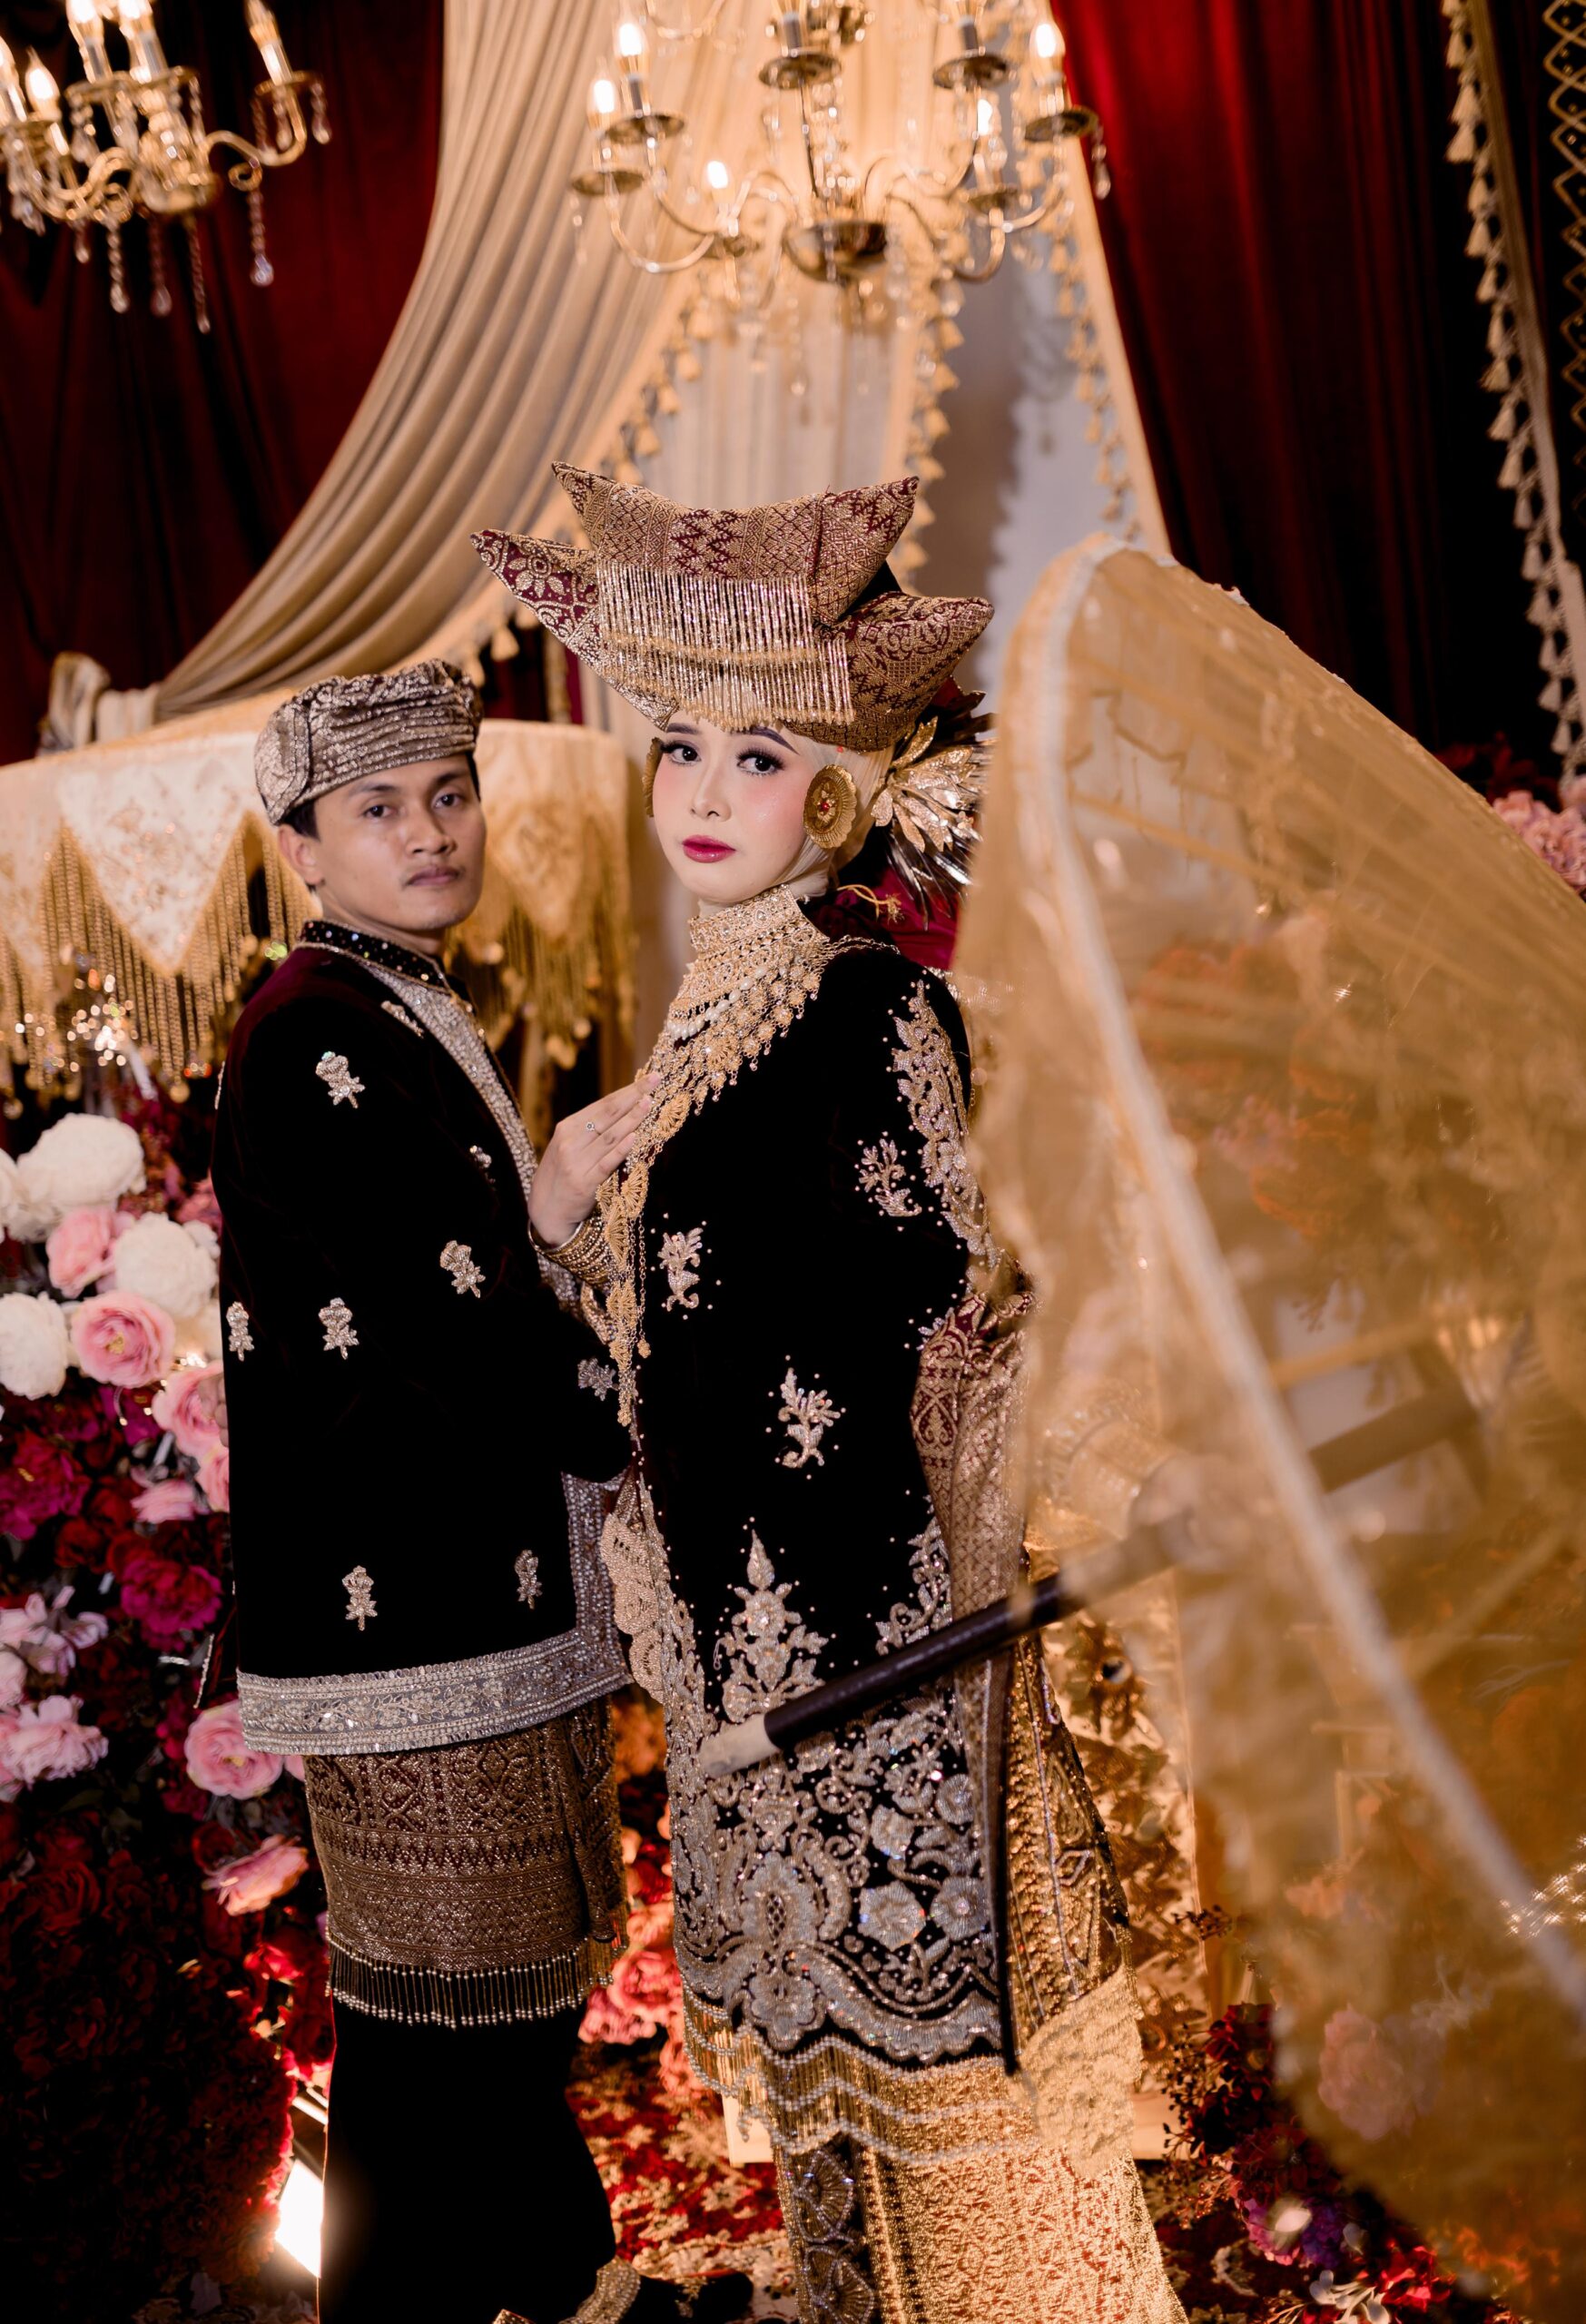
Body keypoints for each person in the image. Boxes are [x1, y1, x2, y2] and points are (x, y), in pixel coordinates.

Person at [473, 478, 1187, 2324]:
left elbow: (961, 1334)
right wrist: (565, 1223)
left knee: (965, 2161)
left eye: (760, 756)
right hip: (749, 1690)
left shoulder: (871, 1010)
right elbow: (681, 1345)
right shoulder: (697, 1027)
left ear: (844, 791)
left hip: (885, 1680)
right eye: (681, 748)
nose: (705, 792)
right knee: (839, 2179)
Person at [212, 663, 748, 2324]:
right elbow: (449, 1319)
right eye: (378, 809)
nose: (429, 832)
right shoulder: (316, 1033)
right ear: (304, 849)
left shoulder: (385, 1002)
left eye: (450, 795)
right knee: (442, 2033)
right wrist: (642, 1408)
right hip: (418, 1605)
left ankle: (572, 2283)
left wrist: (553, 1204)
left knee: (480, 2020)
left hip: (459, 1593)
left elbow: (447, 1272)